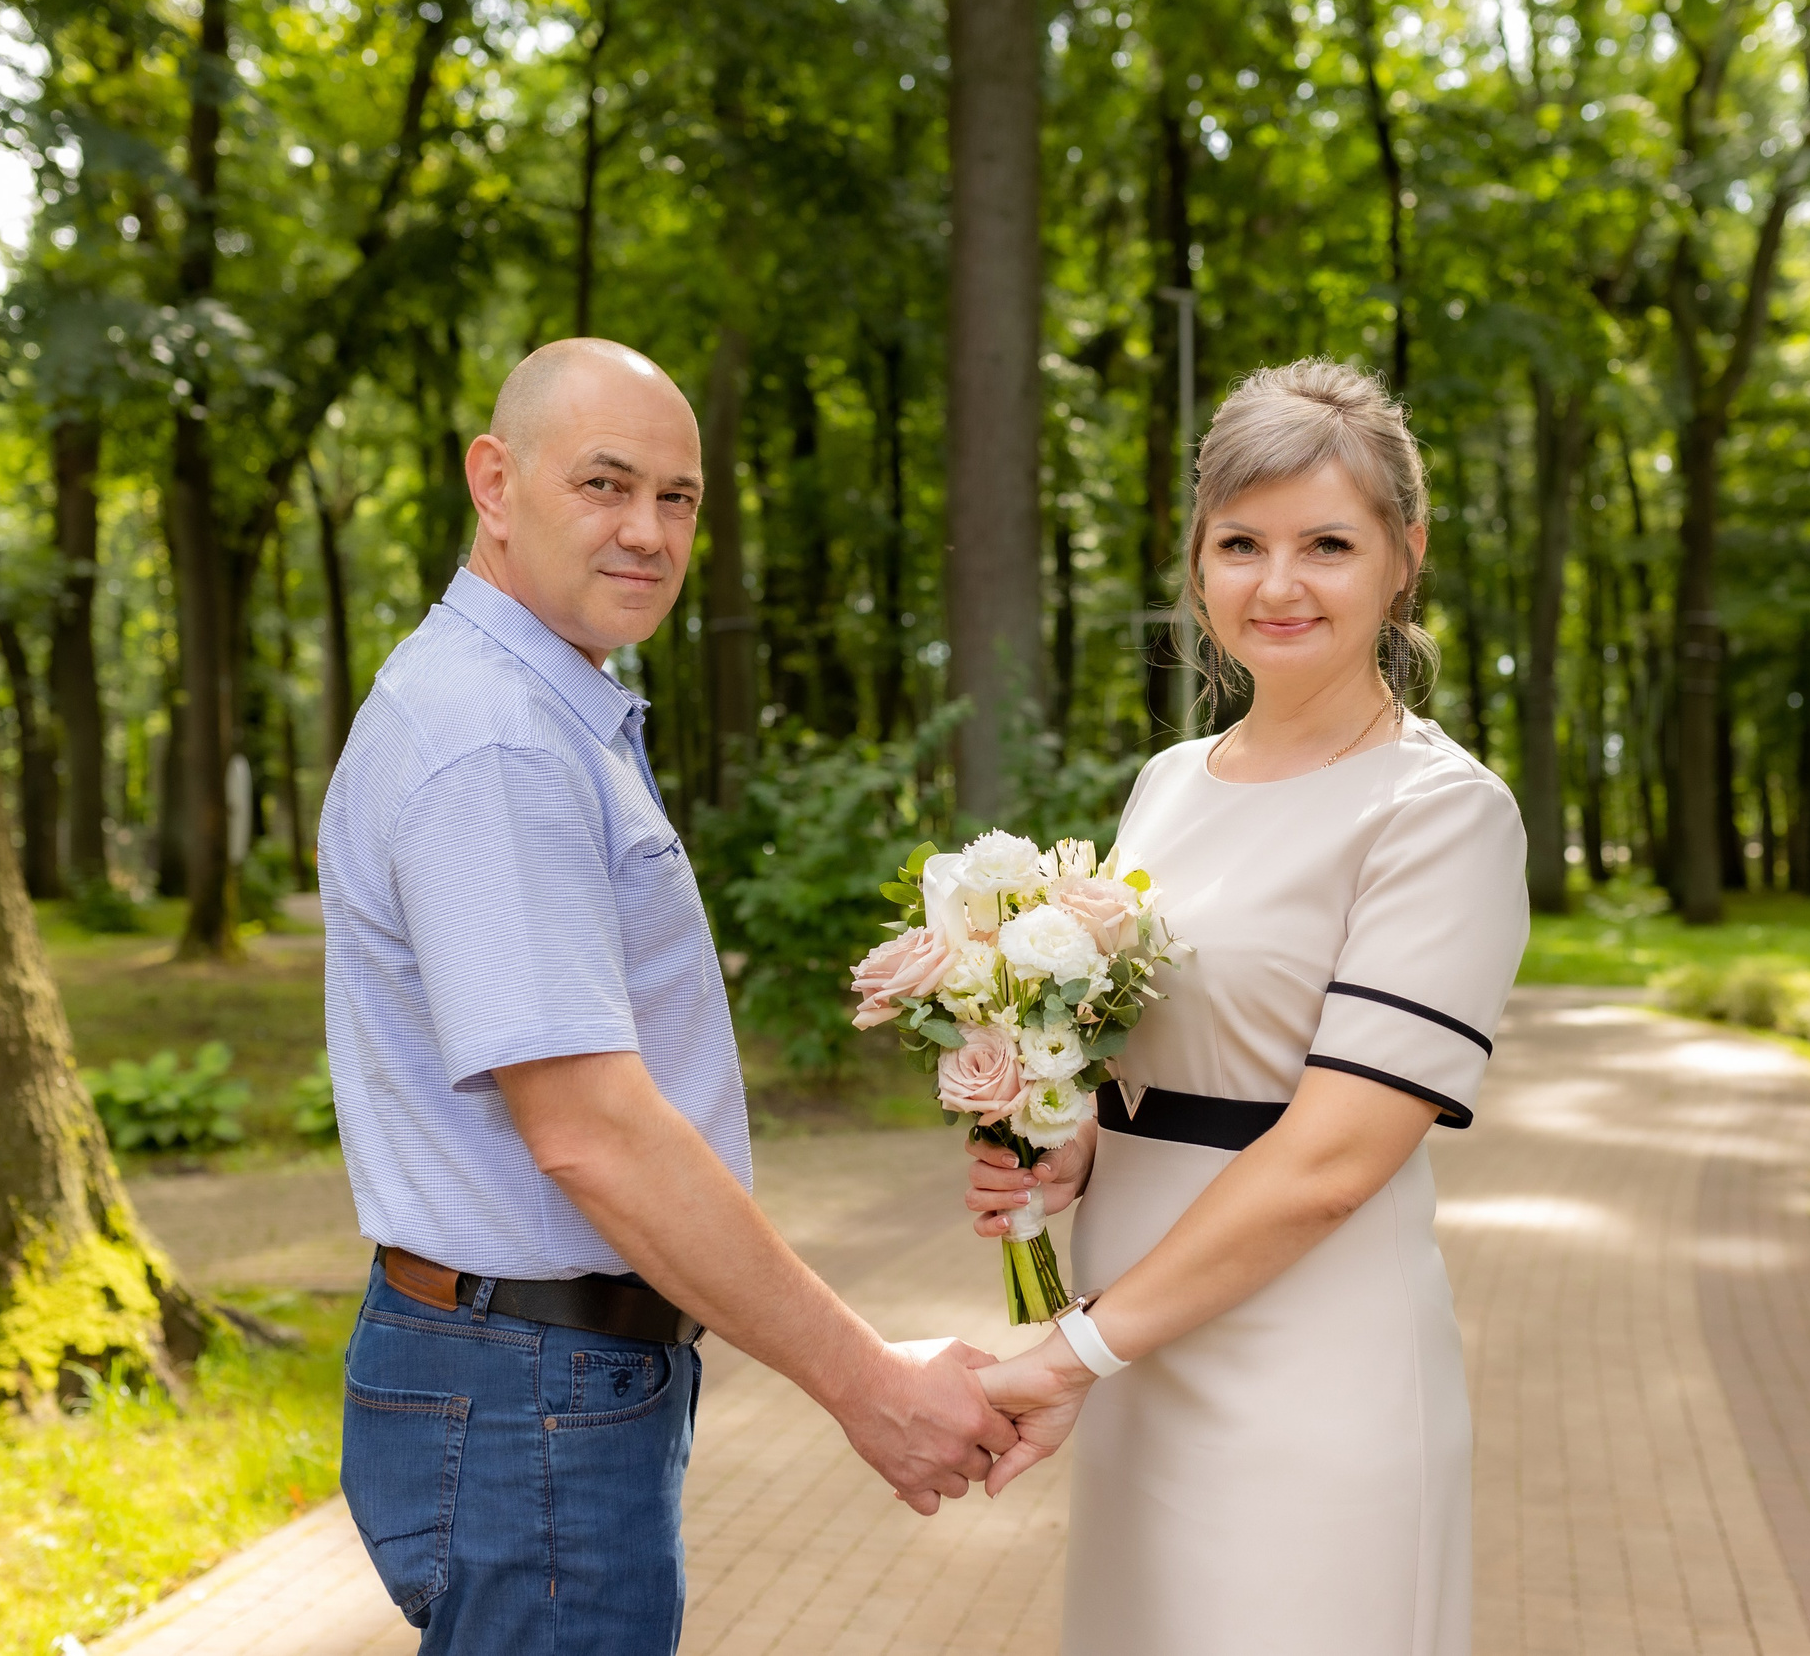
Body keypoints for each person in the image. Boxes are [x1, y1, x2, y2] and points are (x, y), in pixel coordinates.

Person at [320, 338, 1015, 1653]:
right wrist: (868, 1384)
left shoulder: (542, 704)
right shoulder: (496, 739)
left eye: (678, 497)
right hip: (528, 1393)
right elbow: (590, 1127)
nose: (646, 530)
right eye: (605, 484)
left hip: (541, 1379)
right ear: (494, 480)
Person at [963, 359, 1529, 1655]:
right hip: (1138, 1372)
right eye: (1242, 545)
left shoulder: (1438, 814)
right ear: (1198, 562)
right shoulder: (1168, 783)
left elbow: (1332, 1162)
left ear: (1406, 555)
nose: (1278, 585)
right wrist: (1060, 1145)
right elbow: (1171, 1063)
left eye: (1327, 544)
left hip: (1309, 1380)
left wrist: (1072, 1353)